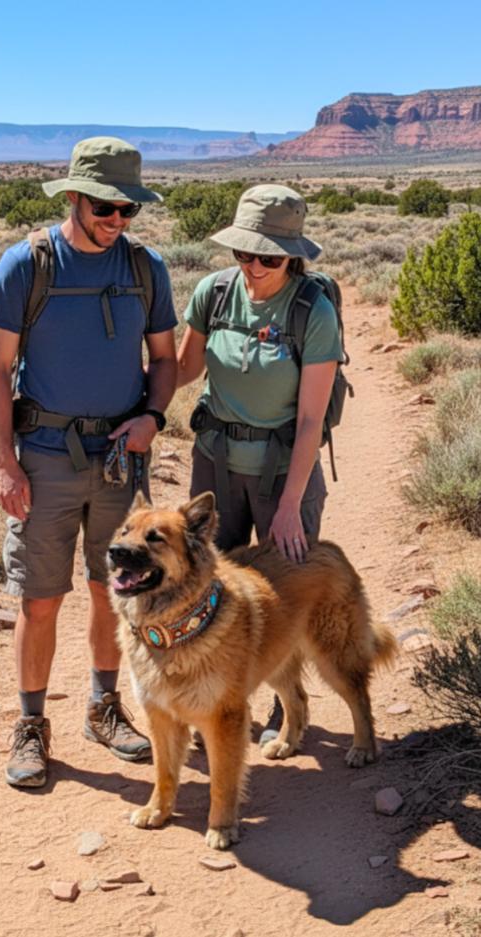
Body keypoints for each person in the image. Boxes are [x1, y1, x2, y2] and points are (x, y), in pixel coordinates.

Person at [0, 136, 177, 787]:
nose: (116, 219)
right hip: (43, 459)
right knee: (39, 600)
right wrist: (6, 463)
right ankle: (32, 723)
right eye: (104, 206)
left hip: (119, 462)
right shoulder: (26, 264)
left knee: (110, 590)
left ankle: (103, 705)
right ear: (72, 196)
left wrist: (152, 416)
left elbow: (165, 358)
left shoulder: (145, 268)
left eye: (127, 208)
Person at [176, 184, 343, 746]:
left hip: (280, 472)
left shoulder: (312, 312)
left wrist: (292, 504)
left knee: (279, 595)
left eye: (267, 257)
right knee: (206, 587)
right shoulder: (215, 294)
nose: (253, 267)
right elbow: (180, 370)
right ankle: (213, 701)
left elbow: (310, 421)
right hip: (216, 466)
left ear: (293, 256)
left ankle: (285, 706)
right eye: (243, 254)